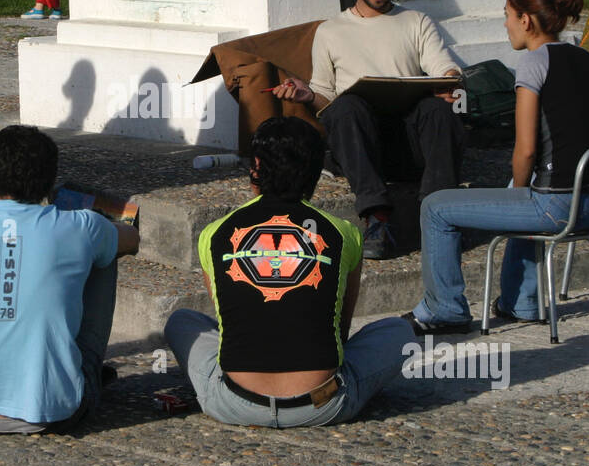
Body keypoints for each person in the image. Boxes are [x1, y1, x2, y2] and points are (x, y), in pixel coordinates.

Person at [164, 117, 414, 428]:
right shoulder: (344, 232)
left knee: (182, 321)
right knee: (401, 332)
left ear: (256, 167)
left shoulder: (214, 233)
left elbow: (232, 320)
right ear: (315, 172)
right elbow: (340, 332)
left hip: (234, 402)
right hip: (322, 404)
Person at [407, 0, 589, 335]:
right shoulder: (586, 58)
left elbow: (526, 149)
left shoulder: (534, 63)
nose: (505, 24)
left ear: (526, 21)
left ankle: (445, 310)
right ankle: (521, 302)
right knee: (521, 186)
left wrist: (517, 190)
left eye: (507, 15)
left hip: (557, 206)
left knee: (435, 207)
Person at [0, 125, 139, 434]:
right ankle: (82, 371)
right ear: (49, 182)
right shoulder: (81, 226)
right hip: (62, 412)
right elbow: (132, 239)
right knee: (106, 248)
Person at [273, 0, 464, 261]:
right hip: (361, 146)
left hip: (410, 144)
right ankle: (377, 218)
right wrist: (306, 95)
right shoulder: (331, 31)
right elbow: (325, 97)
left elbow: (444, 68)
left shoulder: (415, 23)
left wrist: (448, 81)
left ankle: (440, 216)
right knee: (347, 107)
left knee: (437, 111)